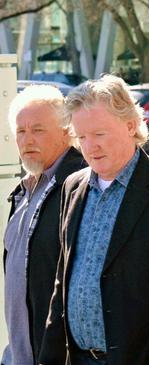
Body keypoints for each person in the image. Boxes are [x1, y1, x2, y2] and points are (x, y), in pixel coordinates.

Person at [38, 75, 149, 365]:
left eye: (99, 134)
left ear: (131, 125)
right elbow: (64, 279)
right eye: (82, 137)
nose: (90, 146)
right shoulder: (72, 187)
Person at [2, 86, 86, 365]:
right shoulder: (23, 191)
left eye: (38, 130)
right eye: (21, 131)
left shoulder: (80, 186)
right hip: (20, 354)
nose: (27, 140)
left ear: (67, 132)